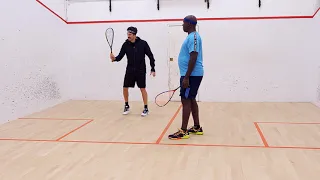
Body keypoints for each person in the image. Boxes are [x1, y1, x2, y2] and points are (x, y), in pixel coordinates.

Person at [168, 15, 204, 140]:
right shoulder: (190, 37)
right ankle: (197, 127)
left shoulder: (194, 37)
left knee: (186, 100)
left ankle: (183, 131)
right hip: (191, 74)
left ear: (190, 24)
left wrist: (187, 77)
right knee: (191, 99)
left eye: (184, 23)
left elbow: (193, 57)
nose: (182, 25)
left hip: (192, 75)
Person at [110, 26, 156, 117]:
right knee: (125, 87)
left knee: (142, 88)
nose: (128, 36)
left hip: (141, 70)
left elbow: (150, 56)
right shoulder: (125, 44)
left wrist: (153, 68)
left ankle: (146, 108)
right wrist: (114, 58)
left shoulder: (143, 43)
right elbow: (119, 57)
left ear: (135, 35)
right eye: (127, 34)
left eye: (130, 34)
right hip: (130, 70)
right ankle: (126, 105)